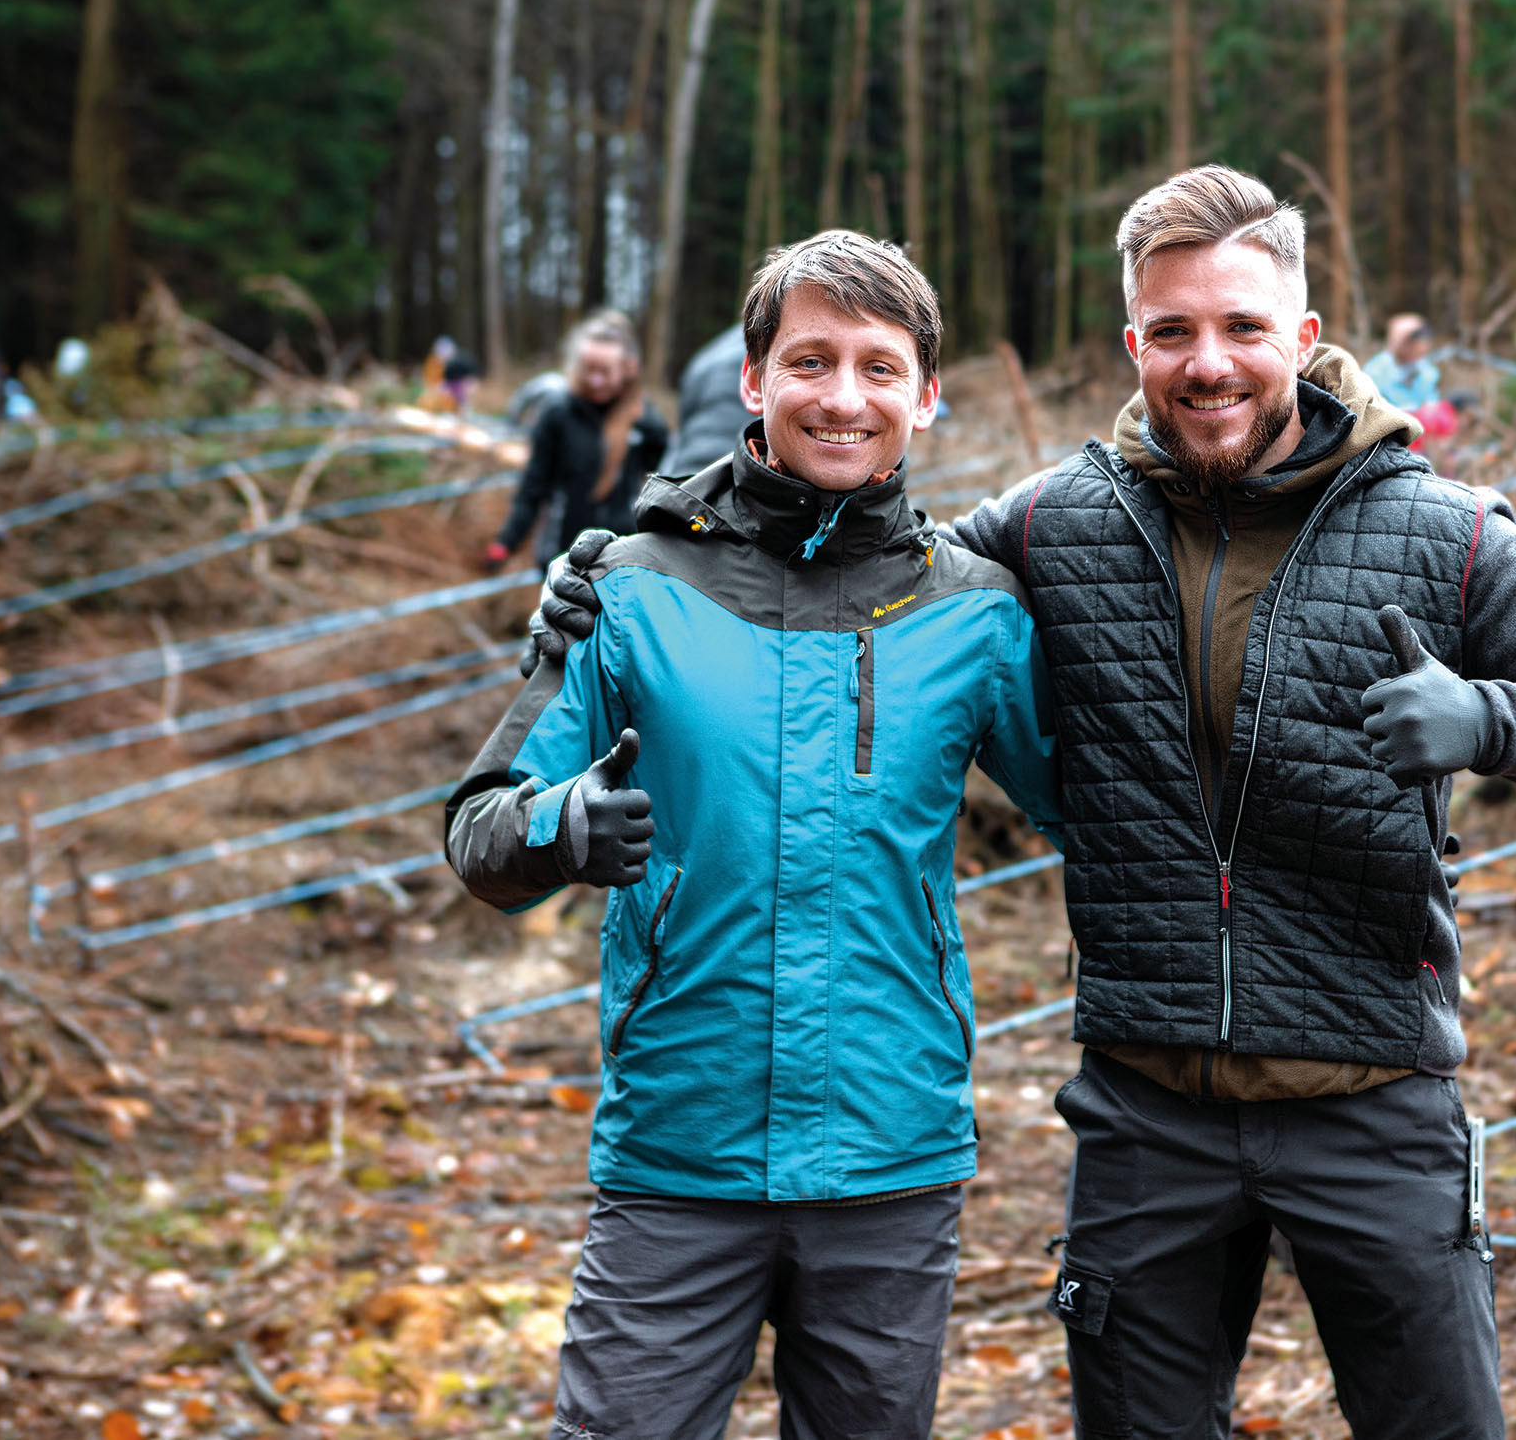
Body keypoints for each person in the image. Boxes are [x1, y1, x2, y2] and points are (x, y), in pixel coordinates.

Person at [532, 165, 1516, 1439]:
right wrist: (633, 555)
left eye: (1244, 327)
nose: (1210, 363)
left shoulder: (1442, 528)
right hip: (1148, 1118)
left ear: (1300, 340)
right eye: (1176, 330)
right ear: (1133, 340)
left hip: (1374, 1095)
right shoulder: (1054, 520)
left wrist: (1487, 717)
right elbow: (851, 554)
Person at [446, 230, 1063, 1440]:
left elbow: (1107, 813)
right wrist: (561, 825)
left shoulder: (976, 612)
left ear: (926, 397)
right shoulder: (627, 587)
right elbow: (479, 831)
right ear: (751, 379)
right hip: (679, 1149)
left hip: (890, 1151)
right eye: (810, 361)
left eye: (880, 368)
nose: (843, 397)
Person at [485, 311, 668, 571]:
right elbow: (533, 485)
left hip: (620, 557)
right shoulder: (558, 413)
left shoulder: (645, 422)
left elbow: (659, 486)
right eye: (588, 370)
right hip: (562, 554)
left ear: (627, 369)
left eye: (605, 371)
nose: (595, 380)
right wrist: (507, 541)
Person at [663, 324, 757, 477]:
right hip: (737, 477)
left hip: (685, 479)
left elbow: (683, 418)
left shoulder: (711, 354)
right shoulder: (776, 347)